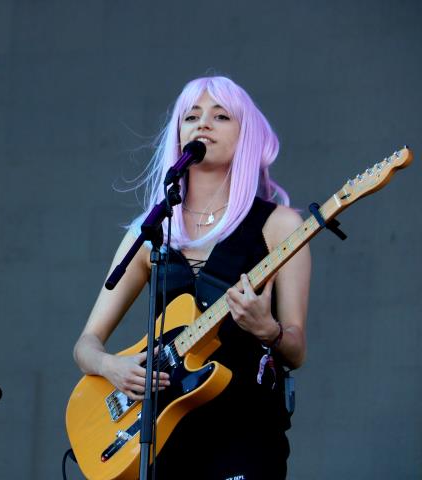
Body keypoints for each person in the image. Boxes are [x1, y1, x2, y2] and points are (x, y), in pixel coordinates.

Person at [73, 76, 311, 479]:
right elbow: (85, 344)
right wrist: (112, 367)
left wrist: (267, 330)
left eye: (220, 116)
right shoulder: (150, 234)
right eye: (191, 116)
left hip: (245, 432)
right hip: (164, 432)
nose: (203, 124)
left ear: (246, 134)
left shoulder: (280, 225)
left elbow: (296, 349)